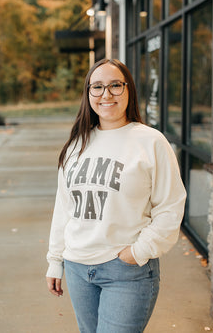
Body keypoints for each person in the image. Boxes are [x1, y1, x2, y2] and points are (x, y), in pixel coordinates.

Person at [46, 58, 186, 333]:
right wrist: (55, 260)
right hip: (77, 267)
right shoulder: (76, 144)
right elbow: (64, 208)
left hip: (125, 271)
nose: (106, 94)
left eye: (115, 85)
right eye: (97, 87)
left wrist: (139, 251)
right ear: (88, 94)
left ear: (128, 90)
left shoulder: (150, 141)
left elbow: (170, 206)